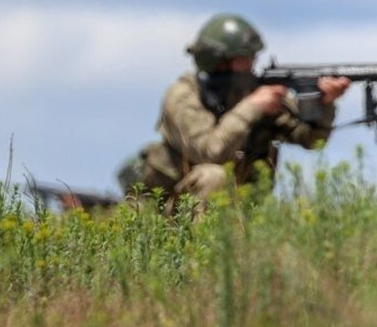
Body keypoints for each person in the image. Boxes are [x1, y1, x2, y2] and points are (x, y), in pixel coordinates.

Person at [118, 13, 350, 204]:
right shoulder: (183, 96)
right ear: (219, 61)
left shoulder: (253, 92)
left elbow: (310, 140)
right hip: (167, 213)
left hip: (235, 210)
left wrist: (324, 104)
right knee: (213, 176)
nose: (252, 64)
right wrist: (252, 108)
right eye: (244, 58)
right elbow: (209, 151)